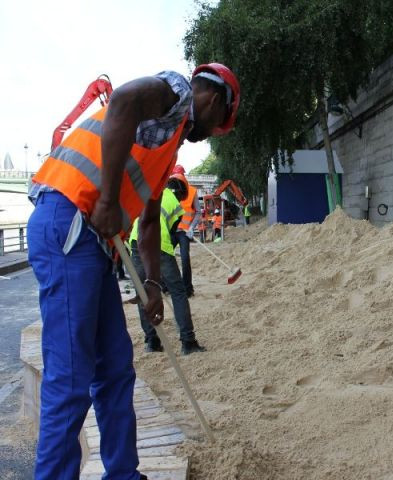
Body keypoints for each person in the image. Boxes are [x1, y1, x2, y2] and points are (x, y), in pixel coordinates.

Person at [26, 63, 240, 480]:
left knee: (114, 368)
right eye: (218, 125)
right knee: (70, 377)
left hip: (95, 243)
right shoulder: (175, 94)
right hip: (71, 219)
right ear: (213, 101)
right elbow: (123, 99)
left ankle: (123, 473)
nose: (211, 133)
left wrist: (153, 286)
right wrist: (106, 199)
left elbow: (147, 226)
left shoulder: (168, 147)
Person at [129, 186, 205, 355]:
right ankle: (188, 341)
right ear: (181, 195)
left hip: (136, 241)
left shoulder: (149, 190)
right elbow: (173, 233)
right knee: (178, 292)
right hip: (158, 241)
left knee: (143, 292)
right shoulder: (174, 202)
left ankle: (152, 342)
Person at [171, 165, 199, 297]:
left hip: (184, 232)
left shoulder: (192, 191)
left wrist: (192, 227)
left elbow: (198, 212)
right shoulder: (168, 191)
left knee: (185, 259)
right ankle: (166, 286)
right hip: (171, 231)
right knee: (165, 257)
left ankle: (188, 289)